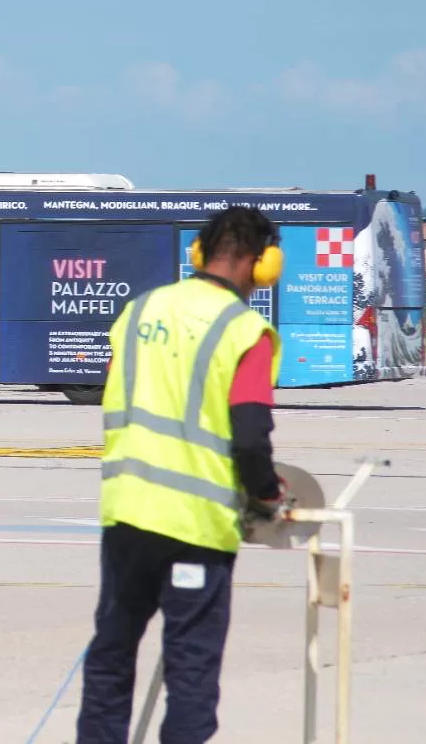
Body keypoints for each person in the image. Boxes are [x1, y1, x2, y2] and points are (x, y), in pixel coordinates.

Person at [76, 207, 288, 744]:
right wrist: (266, 495)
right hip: (196, 527)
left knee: (111, 657)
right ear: (262, 265)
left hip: (127, 516)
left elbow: (116, 393)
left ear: (199, 253)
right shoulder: (243, 330)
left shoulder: (140, 310)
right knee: (191, 669)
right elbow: (249, 435)